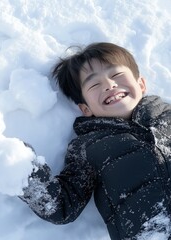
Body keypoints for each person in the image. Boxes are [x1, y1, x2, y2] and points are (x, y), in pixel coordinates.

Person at [19, 42, 171, 239]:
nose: (109, 84)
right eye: (94, 84)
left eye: (116, 75)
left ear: (141, 84)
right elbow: (61, 206)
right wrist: (23, 169)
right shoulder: (89, 147)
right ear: (86, 109)